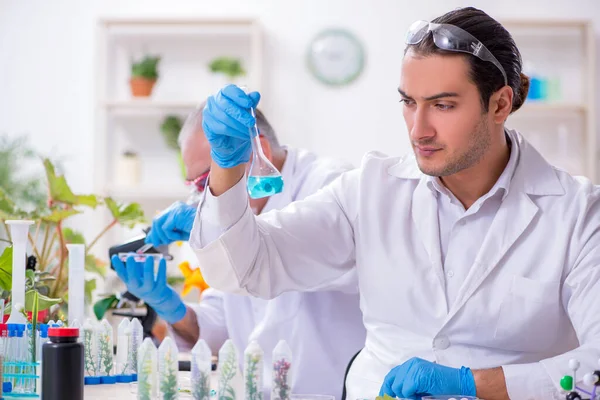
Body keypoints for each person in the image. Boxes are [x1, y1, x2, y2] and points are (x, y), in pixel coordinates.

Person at [186, 7, 600, 400]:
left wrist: (473, 384)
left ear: (500, 104)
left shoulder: (578, 215)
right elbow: (247, 269)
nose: (419, 129)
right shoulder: (370, 191)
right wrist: (227, 171)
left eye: (442, 105)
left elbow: (597, 367)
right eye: (408, 102)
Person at [110, 105, 366, 399]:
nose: (201, 197)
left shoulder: (330, 185)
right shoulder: (234, 216)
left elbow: (296, 255)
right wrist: (171, 307)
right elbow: (216, 328)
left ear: (261, 154)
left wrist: (224, 234)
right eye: (193, 185)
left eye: (207, 180)